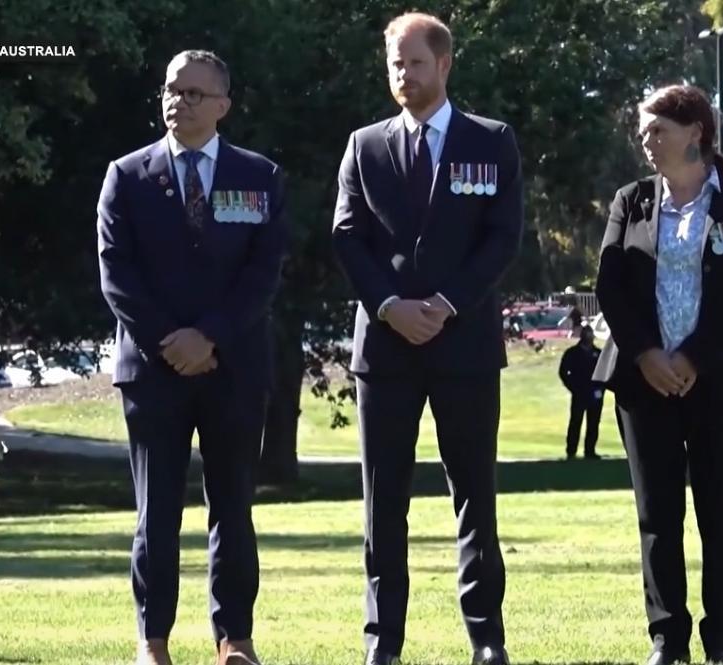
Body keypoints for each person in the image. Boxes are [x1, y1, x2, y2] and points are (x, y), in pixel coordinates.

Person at [331, 12, 523, 665]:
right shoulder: (365, 145)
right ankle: (383, 640)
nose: (404, 75)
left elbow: (502, 237)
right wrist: (389, 306)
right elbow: (346, 236)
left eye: (414, 63)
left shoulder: (492, 141)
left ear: (443, 64)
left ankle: (486, 637)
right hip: (384, 350)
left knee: (474, 494)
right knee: (383, 500)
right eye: (395, 65)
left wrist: (443, 304)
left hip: (463, 345)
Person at [96, 50, 288, 665]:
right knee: (156, 513)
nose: (179, 101)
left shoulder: (260, 177)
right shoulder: (126, 176)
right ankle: (152, 642)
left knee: (233, 507)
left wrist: (209, 337)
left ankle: (235, 639)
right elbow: (116, 274)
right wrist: (170, 342)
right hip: (153, 372)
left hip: (232, 367)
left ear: (224, 106)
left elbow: (263, 273)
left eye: (195, 94)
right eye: (172, 90)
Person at [594, 84, 723, 665]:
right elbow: (610, 288)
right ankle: (668, 638)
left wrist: (692, 356)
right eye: (643, 132)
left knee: (720, 513)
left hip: (720, 381)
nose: (647, 142)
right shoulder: (631, 201)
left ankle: (721, 640)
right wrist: (648, 355)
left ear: (694, 131)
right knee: (657, 516)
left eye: (658, 131)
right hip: (643, 383)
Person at [557, 325, 603, 460]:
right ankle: (571, 451)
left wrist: (601, 388)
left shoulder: (598, 353)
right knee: (576, 422)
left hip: (595, 395)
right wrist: (573, 387)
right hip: (579, 394)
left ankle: (590, 451)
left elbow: (605, 373)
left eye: (591, 335)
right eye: (587, 335)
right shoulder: (572, 353)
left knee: (593, 423)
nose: (590, 338)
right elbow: (564, 372)